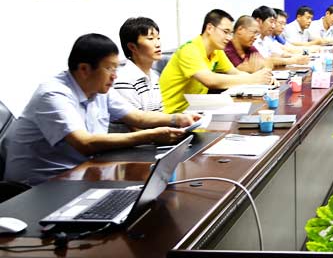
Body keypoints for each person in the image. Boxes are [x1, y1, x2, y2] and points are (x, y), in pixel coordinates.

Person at [2, 34, 198, 186]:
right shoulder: (53, 95)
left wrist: (177, 119)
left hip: (82, 172)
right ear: (84, 69)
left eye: (116, 68)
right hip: (39, 186)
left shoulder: (100, 89)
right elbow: (84, 143)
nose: (115, 76)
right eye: (109, 68)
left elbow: (138, 117)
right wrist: (151, 136)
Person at [159, 9, 273, 113]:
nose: (229, 37)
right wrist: (252, 79)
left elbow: (235, 73)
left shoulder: (217, 51)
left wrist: (264, 78)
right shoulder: (189, 50)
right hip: (171, 115)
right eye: (225, 32)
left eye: (230, 33)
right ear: (210, 28)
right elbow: (210, 80)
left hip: (194, 111)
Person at [114, 16, 164, 112]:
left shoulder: (154, 76)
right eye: (150, 38)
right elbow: (136, 120)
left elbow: (160, 113)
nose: (158, 44)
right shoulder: (123, 79)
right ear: (132, 47)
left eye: (158, 38)